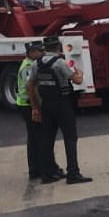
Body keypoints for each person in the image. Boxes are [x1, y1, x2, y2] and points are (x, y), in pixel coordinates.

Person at [27, 37, 92, 184]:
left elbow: (30, 86)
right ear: (58, 47)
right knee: (70, 138)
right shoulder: (60, 63)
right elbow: (76, 80)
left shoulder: (37, 64)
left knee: (47, 139)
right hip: (62, 105)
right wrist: (79, 73)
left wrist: (35, 107)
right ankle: (73, 173)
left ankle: (47, 174)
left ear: (46, 48)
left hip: (46, 105)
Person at [15, 41, 61, 181]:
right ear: (31, 52)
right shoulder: (29, 66)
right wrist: (37, 107)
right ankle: (45, 170)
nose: (42, 53)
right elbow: (32, 88)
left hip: (26, 105)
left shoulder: (28, 64)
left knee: (34, 139)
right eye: (39, 51)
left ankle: (35, 169)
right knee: (42, 138)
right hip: (29, 106)